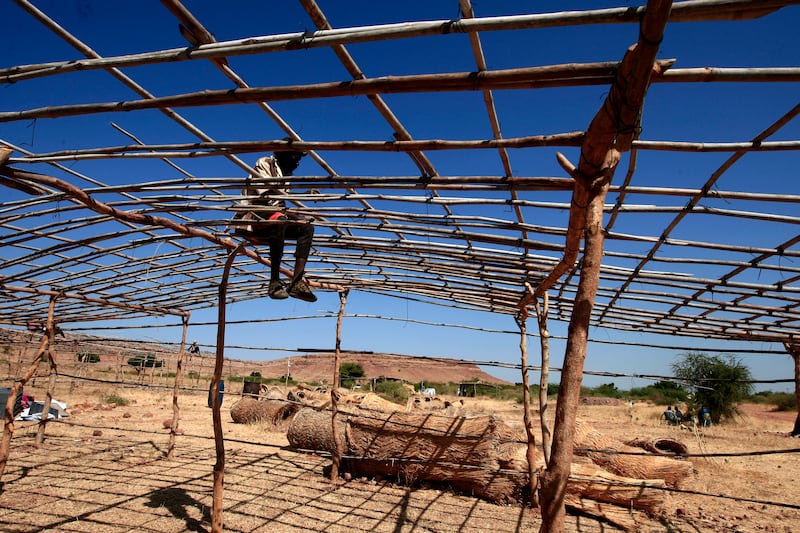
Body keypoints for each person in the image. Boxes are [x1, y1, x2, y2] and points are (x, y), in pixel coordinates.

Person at [237, 150, 316, 302]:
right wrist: (300, 196)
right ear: (285, 154)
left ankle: (296, 281)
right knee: (281, 219)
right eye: (295, 157)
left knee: (307, 227)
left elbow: (281, 205)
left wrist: (299, 216)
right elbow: (267, 194)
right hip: (257, 216)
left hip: (276, 217)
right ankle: (274, 282)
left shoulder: (285, 175)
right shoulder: (265, 163)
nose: (297, 163)